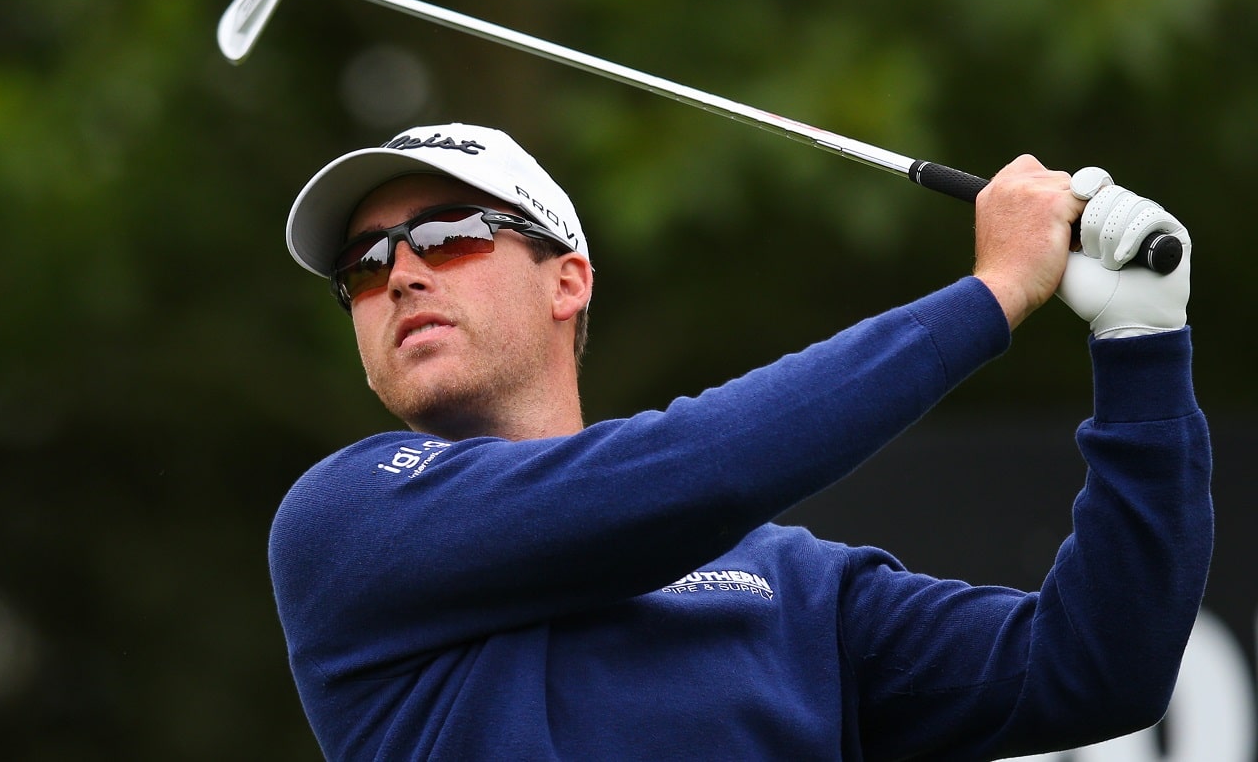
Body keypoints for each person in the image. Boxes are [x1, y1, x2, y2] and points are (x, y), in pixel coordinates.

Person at [269, 122, 1211, 760]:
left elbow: (1097, 669)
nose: (399, 274)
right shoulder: (344, 519)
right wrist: (993, 293)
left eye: (450, 234)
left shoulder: (800, 589)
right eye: (364, 263)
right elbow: (688, 472)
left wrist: (1144, 351)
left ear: (568, 282)